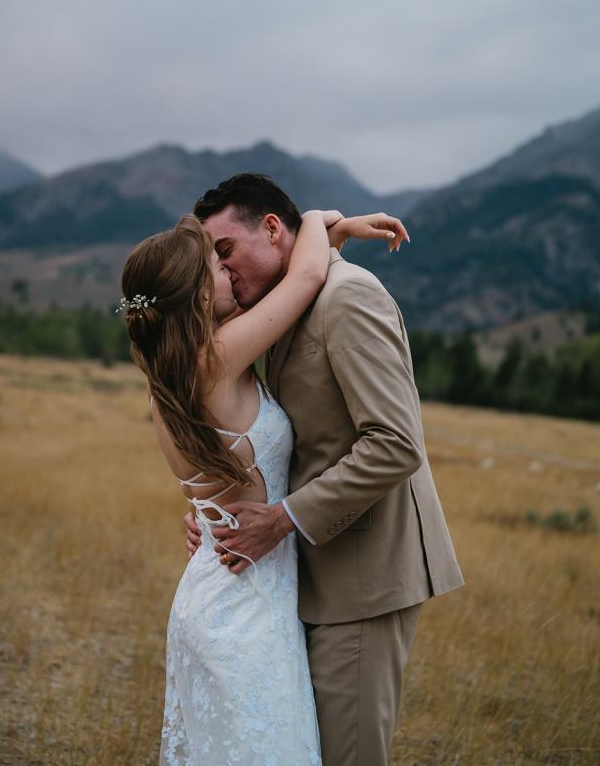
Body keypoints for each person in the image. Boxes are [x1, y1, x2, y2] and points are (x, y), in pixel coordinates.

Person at [186, 173, 465, 766]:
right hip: (304, 578)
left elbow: (395, 443)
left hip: (364, 578)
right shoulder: (282, 306)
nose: (222, 270)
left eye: (226, 251)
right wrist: (217, 518)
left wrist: (282, 518)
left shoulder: (349, 298)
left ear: (270, 229)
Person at [119, 205, 407, 766]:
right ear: (200, 295)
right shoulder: (219, 358)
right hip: (247, 604)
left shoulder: (169, 375)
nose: (231, 276)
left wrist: (335, 239)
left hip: (216, 584)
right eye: (217, 267)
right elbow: (302, 278)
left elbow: (215, 478)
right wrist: (321, 219)